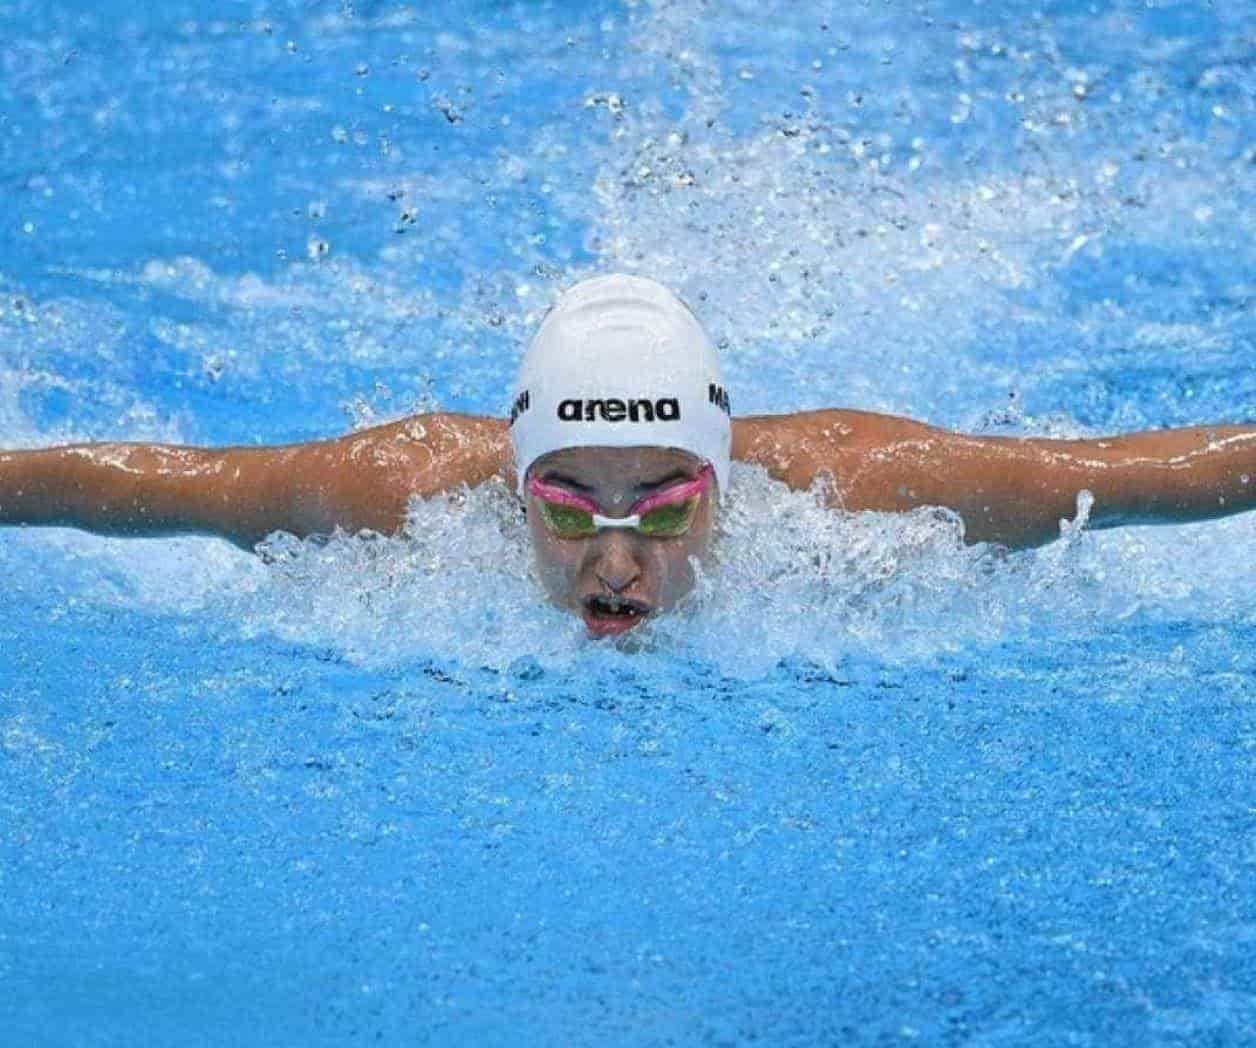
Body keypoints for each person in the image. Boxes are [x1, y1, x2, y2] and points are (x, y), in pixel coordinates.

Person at [2, 274, 1254, 637]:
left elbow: (1154, 471)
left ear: (717, 480)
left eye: (662, 506)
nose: (614, 556)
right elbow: (142, 486)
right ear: (511, 478)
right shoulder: (397, 495)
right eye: (565, 500)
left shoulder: (864, 494)